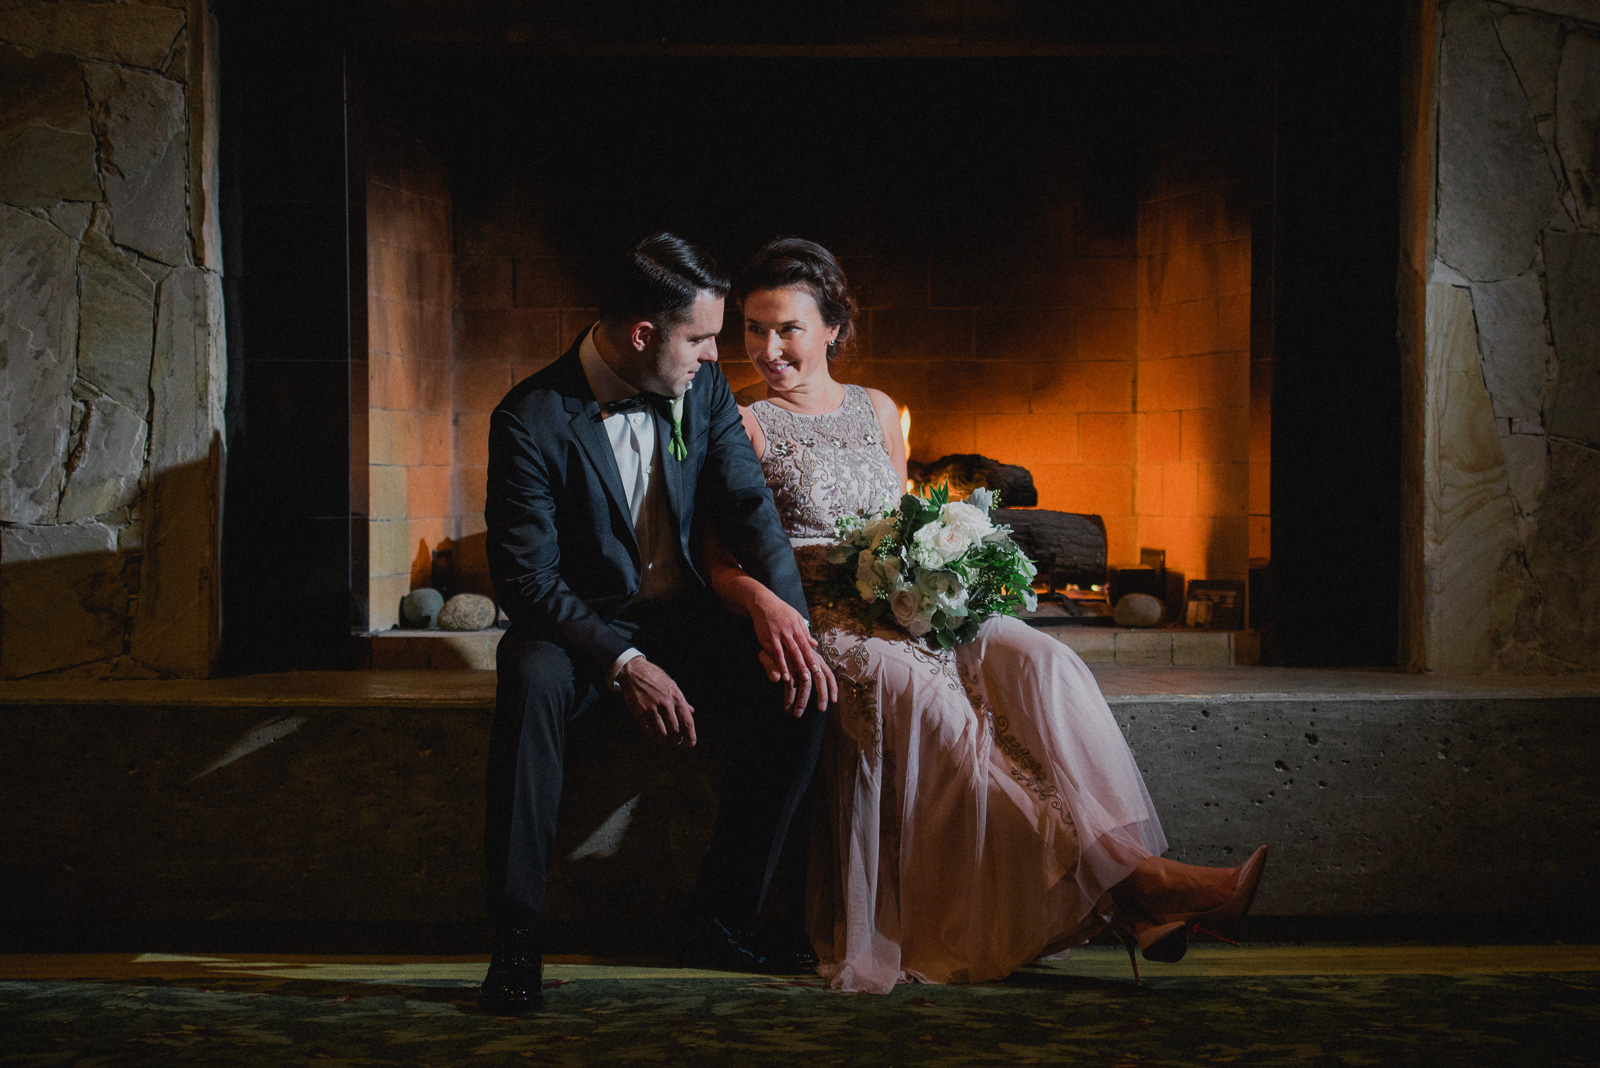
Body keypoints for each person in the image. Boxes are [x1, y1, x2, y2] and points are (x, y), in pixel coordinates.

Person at [706, 237, 1267, 993]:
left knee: (1043, 658)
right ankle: (1151, 888)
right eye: (753, 329)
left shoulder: (876, 409)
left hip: (910, 601)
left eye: (788, 329)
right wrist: (767, 604)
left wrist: (946, 572)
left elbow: (898, 518)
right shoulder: (743, 422)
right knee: (944, 716)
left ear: (834, 326)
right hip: (831, 623)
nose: (768, 349)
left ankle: (1135, 895)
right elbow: (717, 559)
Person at [479, 232, 840, 1014]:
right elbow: (526, 581)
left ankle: (720, 916)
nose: (718, 357)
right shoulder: (530, 417)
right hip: (577, 631)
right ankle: (515, 938)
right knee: (528, 676)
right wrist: (622, 664)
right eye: (703, 338)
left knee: (804, 692)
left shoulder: (700, 391)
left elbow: (750, 512)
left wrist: (793, 626)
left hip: (686, 619)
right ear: (644, 334)